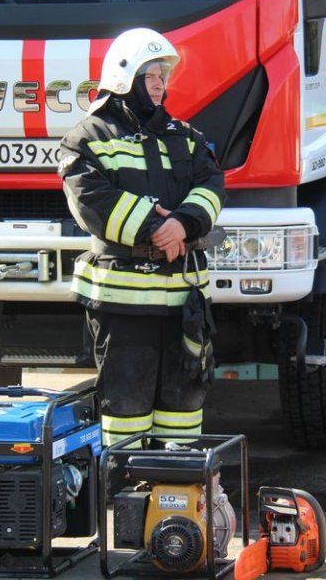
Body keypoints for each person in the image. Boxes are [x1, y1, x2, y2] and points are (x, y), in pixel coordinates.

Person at [58, 28, 225, 448]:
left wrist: (184, 224)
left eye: (162, 75)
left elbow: (211, 184)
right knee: (124, 411)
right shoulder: (89, 137)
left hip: (183, 305)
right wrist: (154, 228)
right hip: (123, 306)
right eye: (149, 74)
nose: (159, 84)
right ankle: (124, 495)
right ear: (122, 76)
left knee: (184, 409)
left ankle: (180, 496)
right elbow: (88, 198)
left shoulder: (184, 136)